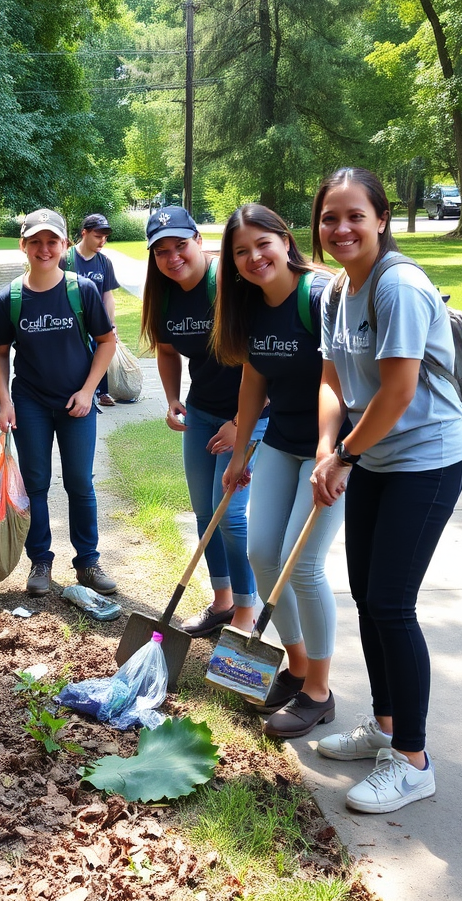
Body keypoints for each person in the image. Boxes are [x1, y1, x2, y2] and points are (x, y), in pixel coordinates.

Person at [310, 167, 462, 813]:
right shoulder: (335, 293)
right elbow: (332, 381)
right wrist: (329, 448)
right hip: (371, 458)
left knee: (391, 603)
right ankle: (382, 726)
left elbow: (400, 393)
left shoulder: (397, 285)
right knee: (366, 597)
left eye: (355, 215)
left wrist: (346, 454)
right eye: (330, 217)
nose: (342, 228)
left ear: (382, 219)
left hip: (426, 459)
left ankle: (412, 759)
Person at [212, 204, 346, 738]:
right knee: (263, 554)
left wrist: (330, 452)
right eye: (241, 251)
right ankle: (294, 668)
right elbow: (252, 383)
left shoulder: (319, 297)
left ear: (284, 240)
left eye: (261, 244)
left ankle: (320, 691)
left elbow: (335, 380)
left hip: (332, 449)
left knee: (304, 564)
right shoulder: (246, 306)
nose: (253, 258)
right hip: (281, 444)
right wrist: (240, 453)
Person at [140, 206, 267, 638]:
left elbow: (268, 356)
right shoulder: (166, 293)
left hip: (251, 416)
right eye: (161, 251)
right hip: (201, 412)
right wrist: (174, 398)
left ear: (198, 239)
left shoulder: (230, 286)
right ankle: (222, 602)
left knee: (229, 515)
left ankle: (246, 615)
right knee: (203, 510)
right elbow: (167, 349)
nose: (172, 257)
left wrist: (240, 423)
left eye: (180, 245)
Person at [0, 208, 117, 597]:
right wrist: (4, 400)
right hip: (30, 402)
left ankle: (88, 562)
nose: (44, 249)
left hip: (76, 404)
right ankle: (40, 560)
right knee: (37, 484)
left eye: (52, 241)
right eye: (35, 242)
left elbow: (107, 343)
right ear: (23, 245)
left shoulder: (83, 291)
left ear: (65, 245)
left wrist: (89, 390)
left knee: (80, 483)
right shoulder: (10, 298)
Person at [62, 214, 120, 406]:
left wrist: (111, 324)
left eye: (105, 236)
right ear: (84, 233)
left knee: (101, 349)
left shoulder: (104, 263)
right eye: (98, 236)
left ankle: (102, 392)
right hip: (70, 319)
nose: (102, 241)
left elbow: (107, 296)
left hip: (96, 319)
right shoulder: (66, 259)